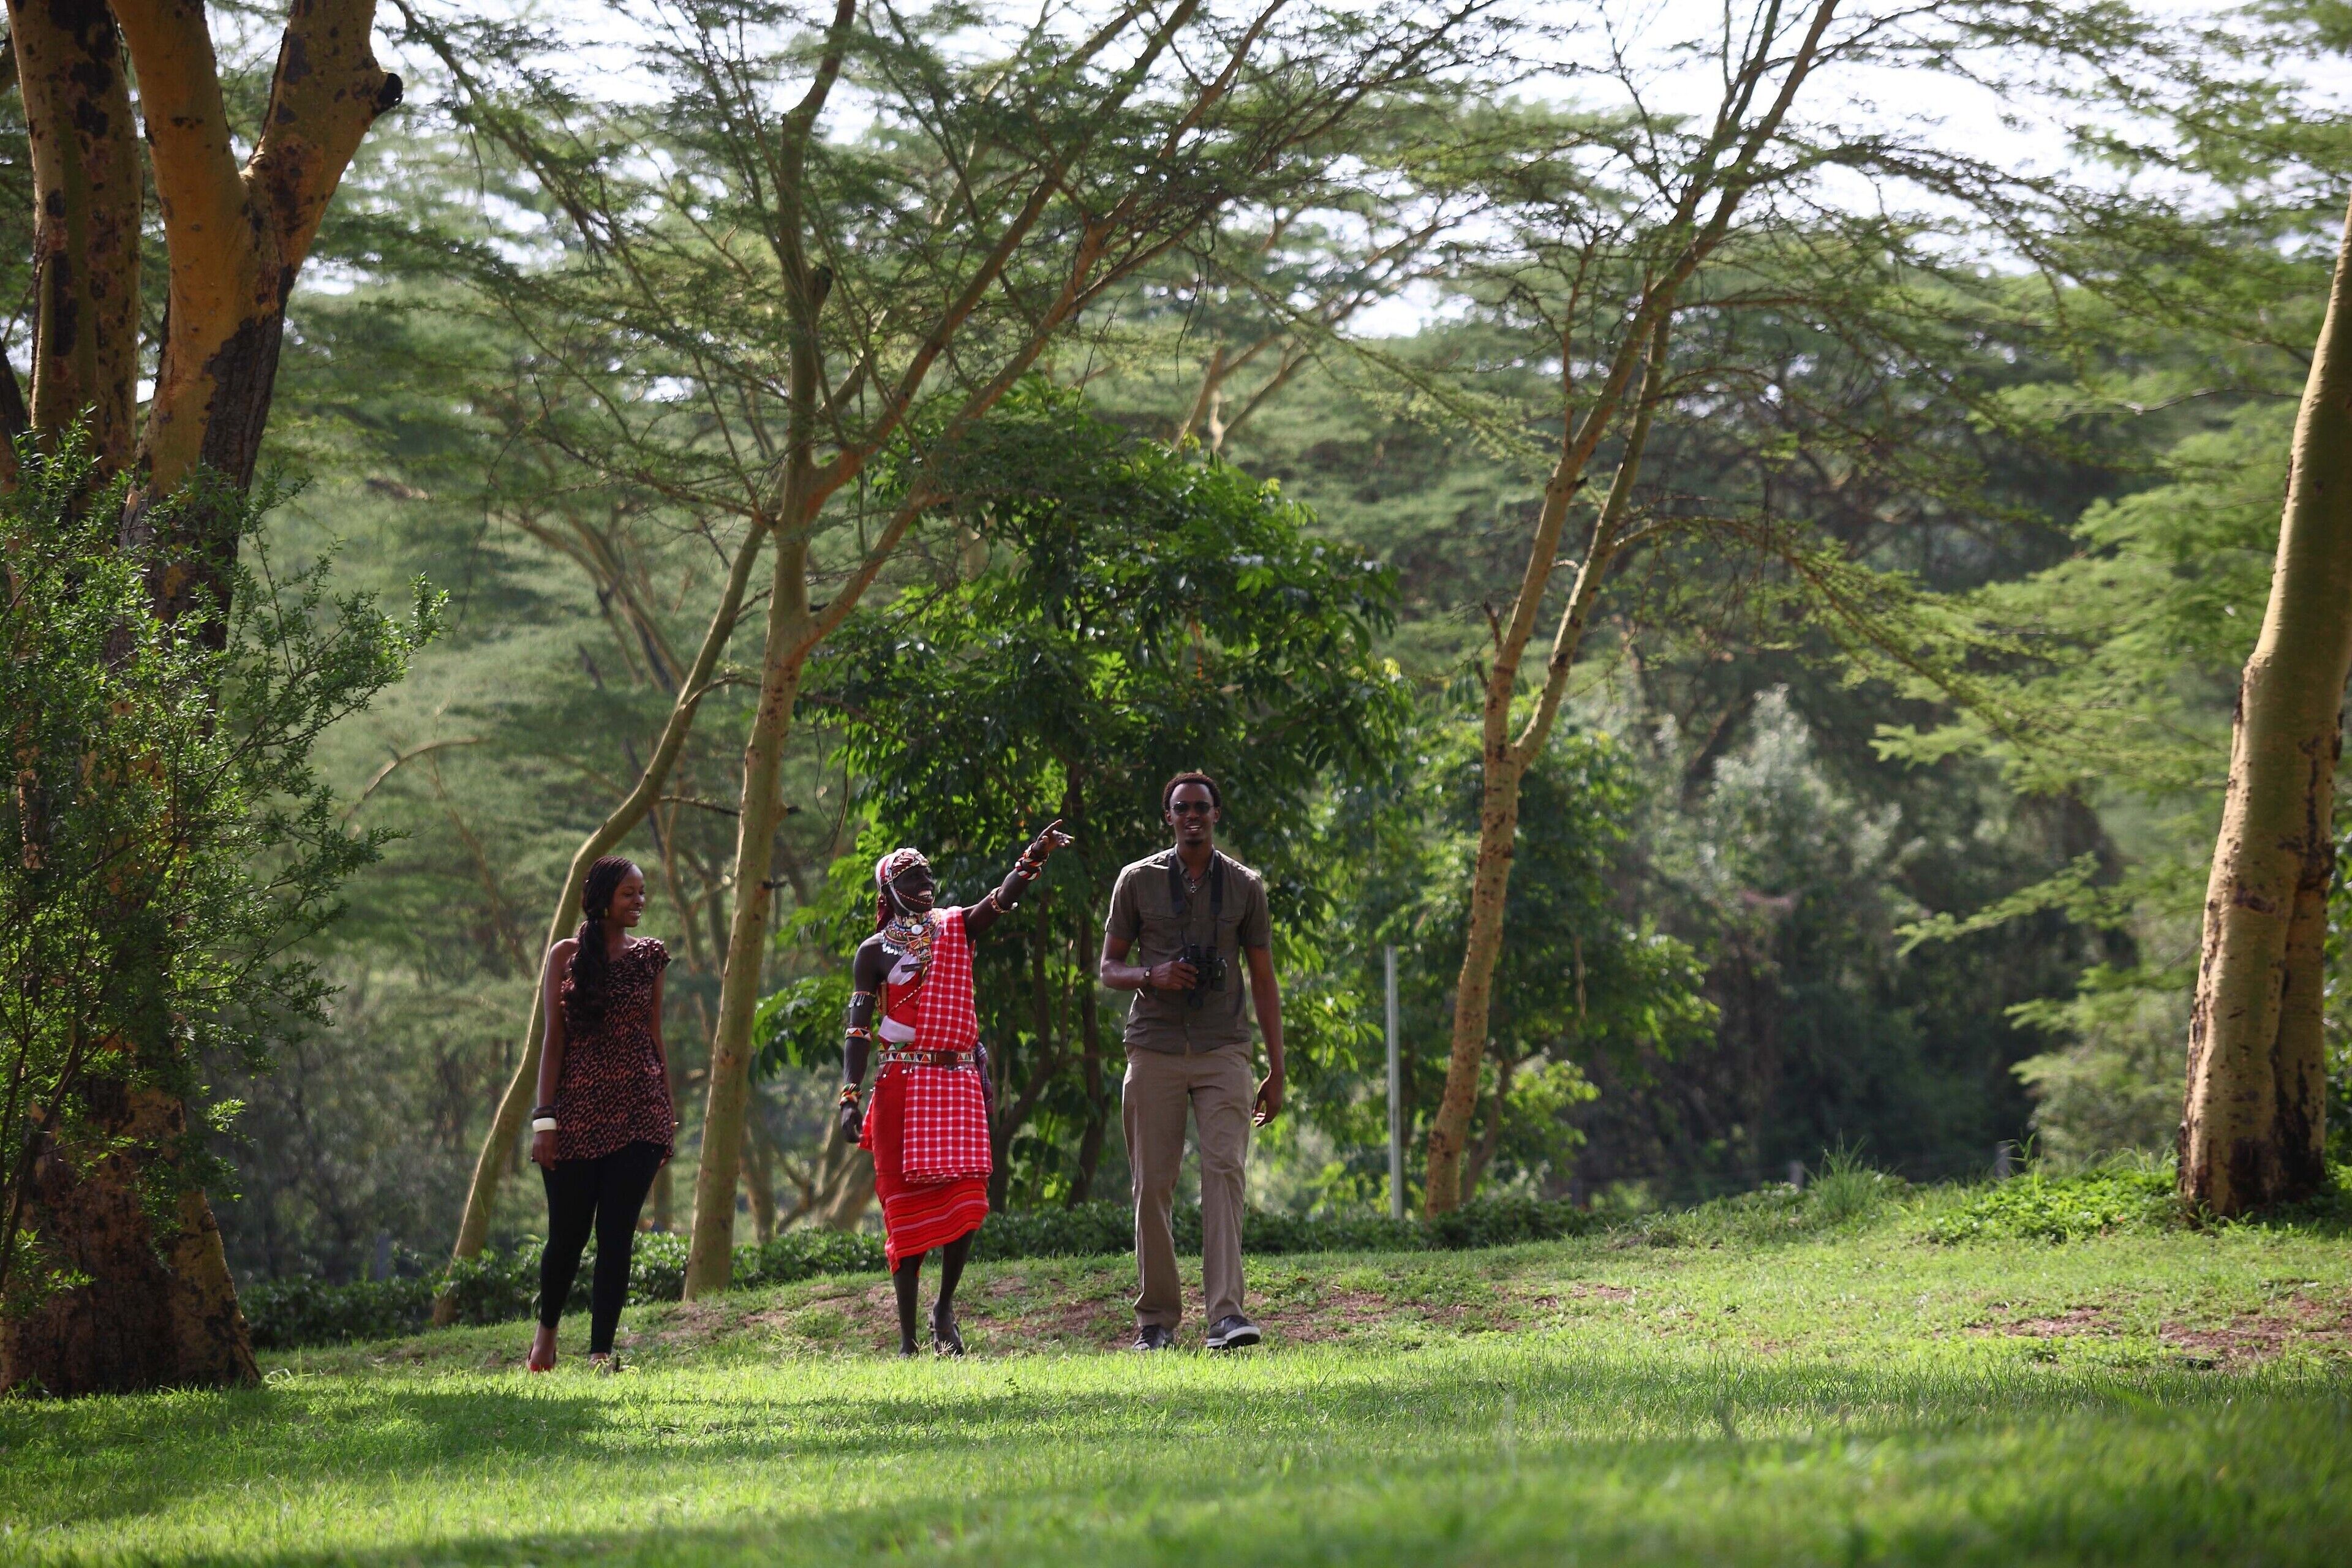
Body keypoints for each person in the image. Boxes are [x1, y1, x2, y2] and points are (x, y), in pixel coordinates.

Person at [840, 823, 1074, 1355]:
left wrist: (1032, 858)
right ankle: (906, 1339)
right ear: (887, 893)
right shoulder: (872, 953)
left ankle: (944, 1310)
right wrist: (849, 1096)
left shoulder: (954, 928)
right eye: (911, 878)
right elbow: (857, 1030)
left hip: (957, 1080)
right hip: (901, 1084)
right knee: (902, 1209)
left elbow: (998, 903)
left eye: (928, 876)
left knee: (968, 1198)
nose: (925, 885)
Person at [1098, 771, 1283, 1352]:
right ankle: (1156, 1323)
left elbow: (1263, 977)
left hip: (1223, 1047)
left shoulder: (1246, 887)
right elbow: (1108, 969)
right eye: (1182, 808)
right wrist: (1153, 976)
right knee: (1153, 1184)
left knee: (1224, 1174)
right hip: (1153, 1046)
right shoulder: (1137, 882)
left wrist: (1277, 1069)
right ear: (1169, 817)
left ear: (1217, 815)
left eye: (1202, 807)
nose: (1193, 816)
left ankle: (1227, 1317)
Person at [526, 855, 674, 1373]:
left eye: (643, 893)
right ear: (604, 897)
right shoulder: (565, 955)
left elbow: (655, 1036)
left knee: (616, 1235)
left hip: (639, 1115)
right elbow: (553, 1041)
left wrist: (667, 1118)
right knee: (566, 1235)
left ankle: (600, 1352)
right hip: (574, 1117)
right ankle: (545, 1339)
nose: (640, 902)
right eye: (630, 893)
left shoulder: (651, 956)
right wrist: (545, 1119)